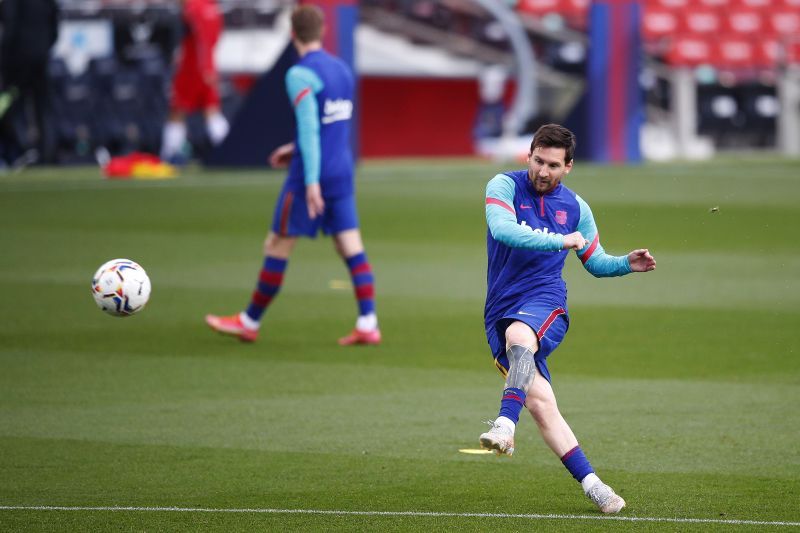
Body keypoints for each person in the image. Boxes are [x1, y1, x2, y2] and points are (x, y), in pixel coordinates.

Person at [479, 124, 656, 514]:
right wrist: (560, 240)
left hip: (546, 301)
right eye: (538, 161)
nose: (543, 171)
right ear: (529, 155)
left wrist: (625, 263)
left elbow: (595, 261)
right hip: (500, 308)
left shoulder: (576, 208)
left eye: (553, 165)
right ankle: (596, 487)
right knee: (541, 403)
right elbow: (503, 230)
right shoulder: (503, 186)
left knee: (521, 336)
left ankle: (505, 425)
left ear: (569, 166)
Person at [205, 5, 380, 346]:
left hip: (309, 176)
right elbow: (332, 126)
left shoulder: (299, 74)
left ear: (292, 34)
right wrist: (295, 146)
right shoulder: (342, 70)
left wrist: (311, 179)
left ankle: (249, 321)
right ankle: (368, 322)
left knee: (277, 243)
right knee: (350, 245)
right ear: (322, 32)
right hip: (341, 168)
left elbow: (312, 128)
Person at [160, 0, 229, 163]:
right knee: (211, 110)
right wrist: (209, 66)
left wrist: (204, 66)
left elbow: (202, 39)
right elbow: (213, 39)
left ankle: (169, 154)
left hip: (192, 68)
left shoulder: (194, 8)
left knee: (177, 111)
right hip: (205, 66)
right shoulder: (213, 9)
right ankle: (230, 150)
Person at [0, 0, 59, 166]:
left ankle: (25, 150)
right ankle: (47, 154)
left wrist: (5, 60)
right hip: (41, 58)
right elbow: (55, 25)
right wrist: (44, 47)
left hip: (18, 59)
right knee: (43, 107)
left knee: (15, 106)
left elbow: (10, 27)